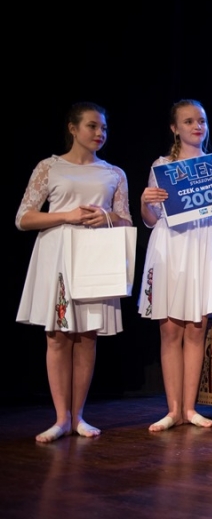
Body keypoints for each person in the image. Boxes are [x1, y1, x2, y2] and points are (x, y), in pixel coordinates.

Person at [16, 102, 132, 442]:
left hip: (95, 255)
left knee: (86, 337)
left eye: (104, 128)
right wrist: (67, 215)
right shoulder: (50, 167)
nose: (100, 133)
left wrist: (107, 217)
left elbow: (126, 219)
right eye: (92, 126)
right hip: (58, 255)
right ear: (73, 128)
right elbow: (24, 217)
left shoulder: (114, 173)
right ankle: (61, 419)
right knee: (57, 336)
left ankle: (79, 416)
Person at [140, 99, 212, 432]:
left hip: (202, 245)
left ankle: (190, 409)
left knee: (196, 329)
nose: (197, 126)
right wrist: (145, 202)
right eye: (189, 121)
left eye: (202, 121)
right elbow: (151, 220)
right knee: (169, 331)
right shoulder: (162, 165)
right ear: (174, 128)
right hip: (171, 245)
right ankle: (173, 410)